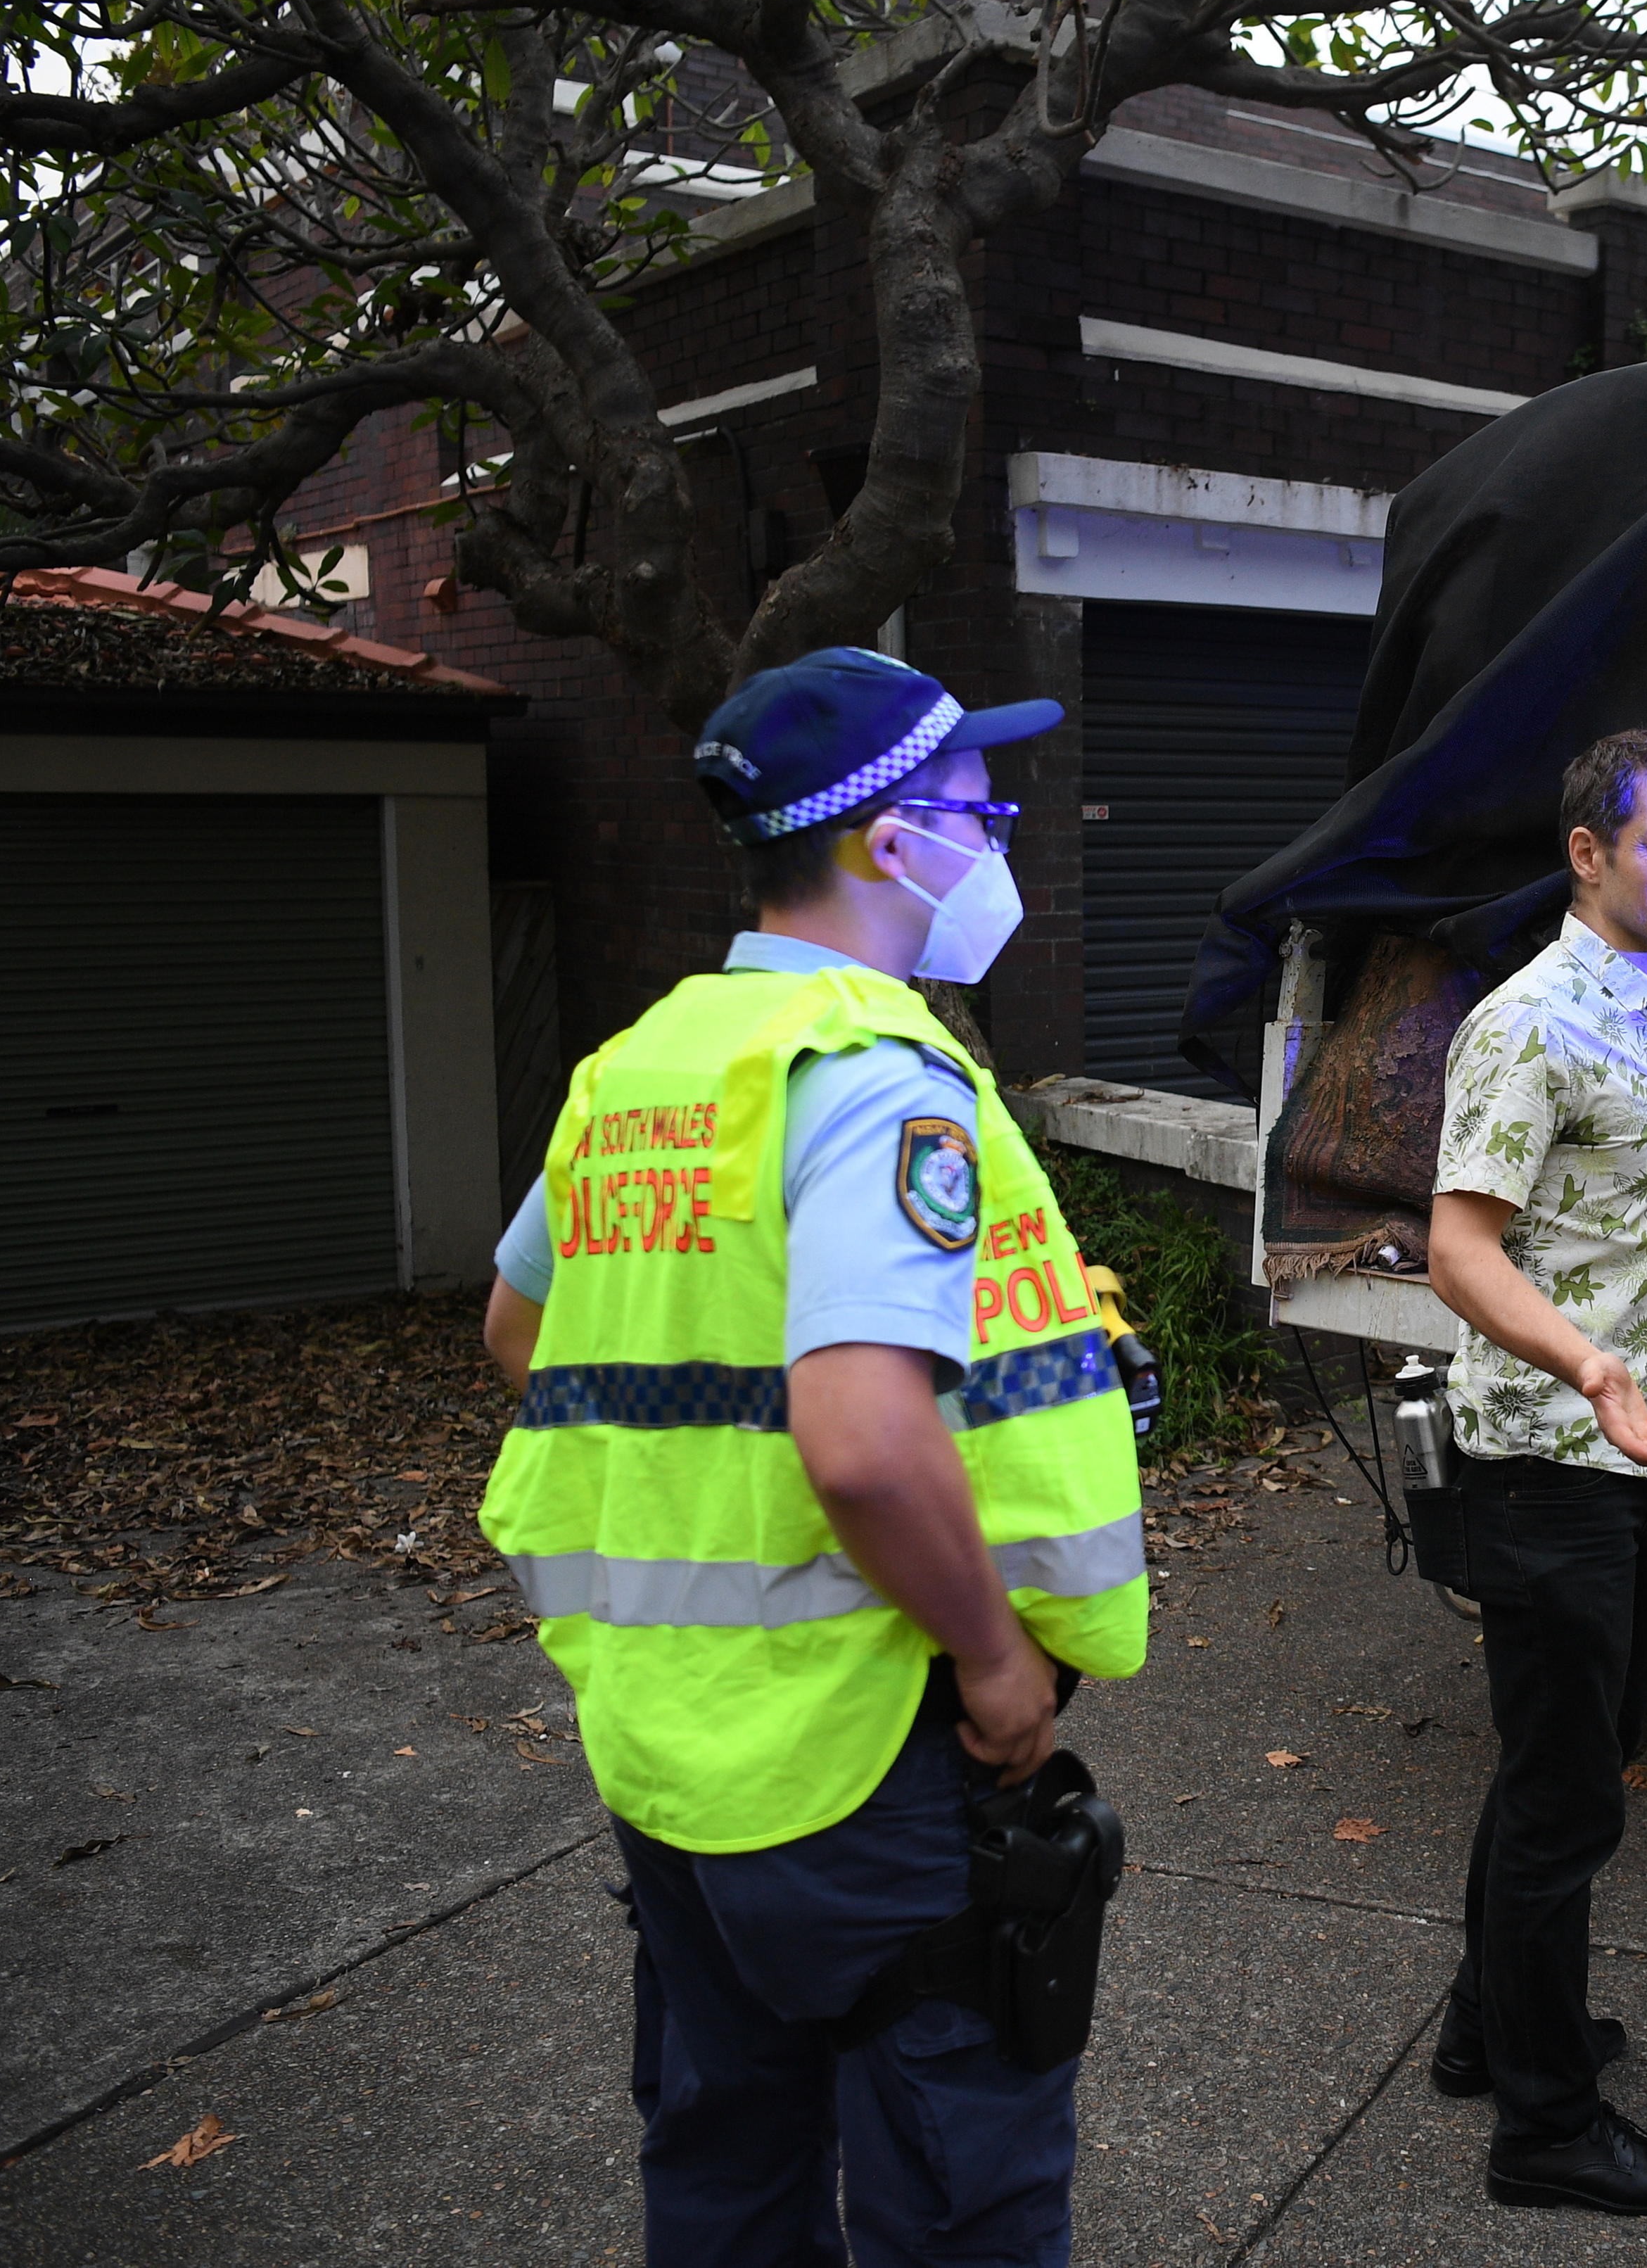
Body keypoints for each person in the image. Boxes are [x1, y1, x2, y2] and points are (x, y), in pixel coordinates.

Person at [475, 647, 1148, 2267]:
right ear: (889, 843)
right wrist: (994, 1656)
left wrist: (709, 1497)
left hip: (672, 1742)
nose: (997, 839)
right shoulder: (870, 1081)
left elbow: (518, 1330)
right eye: (980, 812)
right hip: (865, 1755)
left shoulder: (645, 1066)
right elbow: (861, 1441)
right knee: (957, 2196)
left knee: (728, 2166)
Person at [1421, 724, 1647, 2216]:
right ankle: (1544, 2128)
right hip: (1552, 1457)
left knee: (1563, 1767)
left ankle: (1484, 2028)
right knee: (1567, 1803)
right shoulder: (1534, 1023)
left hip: (1631, 1462)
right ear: (1585, 854)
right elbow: (1459, 1248)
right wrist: (1592, 1365)